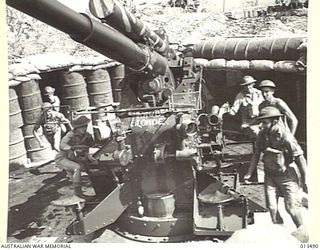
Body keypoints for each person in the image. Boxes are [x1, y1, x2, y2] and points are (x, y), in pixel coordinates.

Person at [244, 106, 308, 242]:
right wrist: (249, 173)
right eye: (261, 122)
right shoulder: (262, 134)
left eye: (265, 122)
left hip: (287, 176)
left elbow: (300, 158)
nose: (262, 125)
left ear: (274, 121)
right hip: (270, 176)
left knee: (291, 208)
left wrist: (306, 179)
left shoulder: (285, 136)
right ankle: (281, 236)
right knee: (272, 208)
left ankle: (302, 232)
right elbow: (256, 154)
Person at [55, 116, 97, 202]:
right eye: (82, 126)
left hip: (75, 159)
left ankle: (98, 191)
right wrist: (72, 148)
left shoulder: (87, 136)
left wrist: (88, 156)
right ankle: (79, 194)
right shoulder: (71, 134)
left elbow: (88, 148)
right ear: (77, 128)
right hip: (63, 158)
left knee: (91, 168)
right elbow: (62, 145)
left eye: (85, 126)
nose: (84, 128)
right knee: (76, 168)